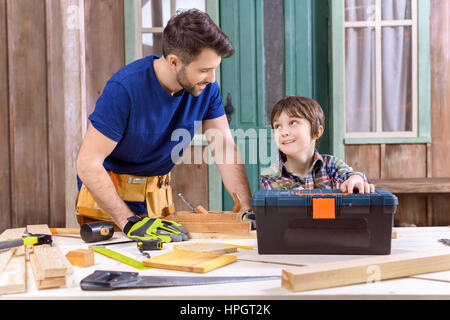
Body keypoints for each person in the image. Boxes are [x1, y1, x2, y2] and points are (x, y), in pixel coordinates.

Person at [75, 9, 253, 244]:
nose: (212, 78)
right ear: (174, 62)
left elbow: (224, 148)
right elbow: (87, 164)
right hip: (108, 203)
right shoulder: (124, 89)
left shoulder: (208, 89)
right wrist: (129, 222)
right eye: (204, 70)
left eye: (214, 69)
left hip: (155, 198)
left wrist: (247, 210)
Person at [260, 96, 375, 193]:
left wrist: (354, 179)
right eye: (277, 126)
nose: (284, 132)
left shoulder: (331, 165)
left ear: (316, 132)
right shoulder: (270, 176)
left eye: (293, 123)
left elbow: (349, 174)